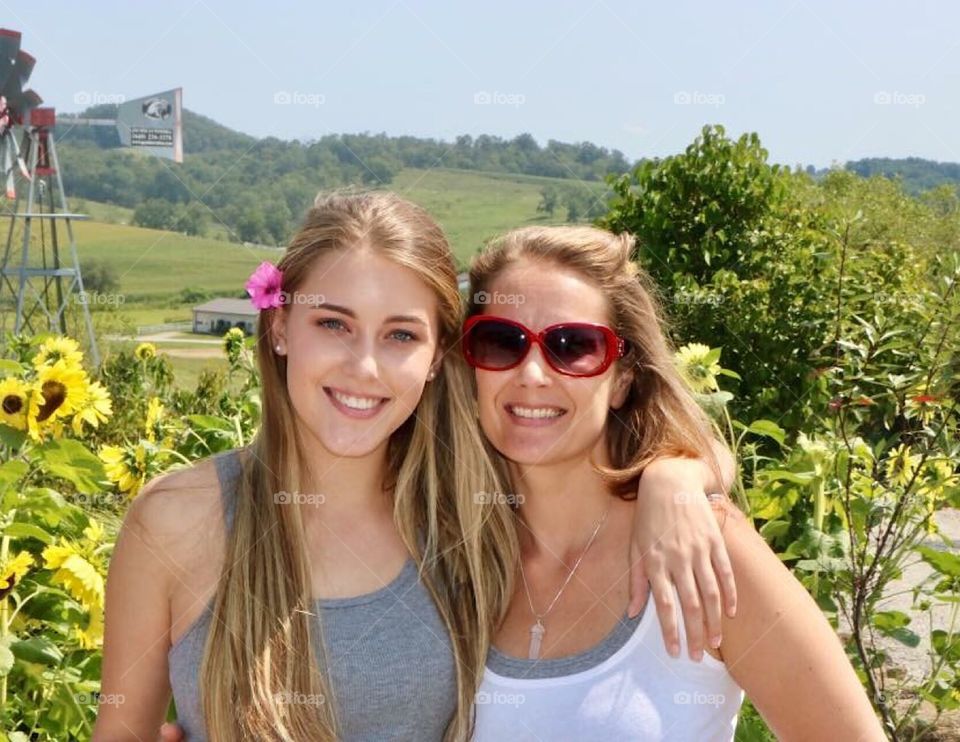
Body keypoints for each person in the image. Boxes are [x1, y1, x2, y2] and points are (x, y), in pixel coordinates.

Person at [94, 192, 736, 742]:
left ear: (436, 357)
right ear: (282, 326)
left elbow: (611, 451)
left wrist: (676, 477)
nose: (364, 368)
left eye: (400, 335)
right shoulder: (176, 521)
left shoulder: (470, 502)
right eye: (333, 324)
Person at [463, 225, 887, 741]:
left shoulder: (704, 545)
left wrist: (682, 473)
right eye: (501, 340)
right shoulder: (451, 550)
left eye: (573, 346)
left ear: (621, 379)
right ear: (470, 363)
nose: (532, 373)